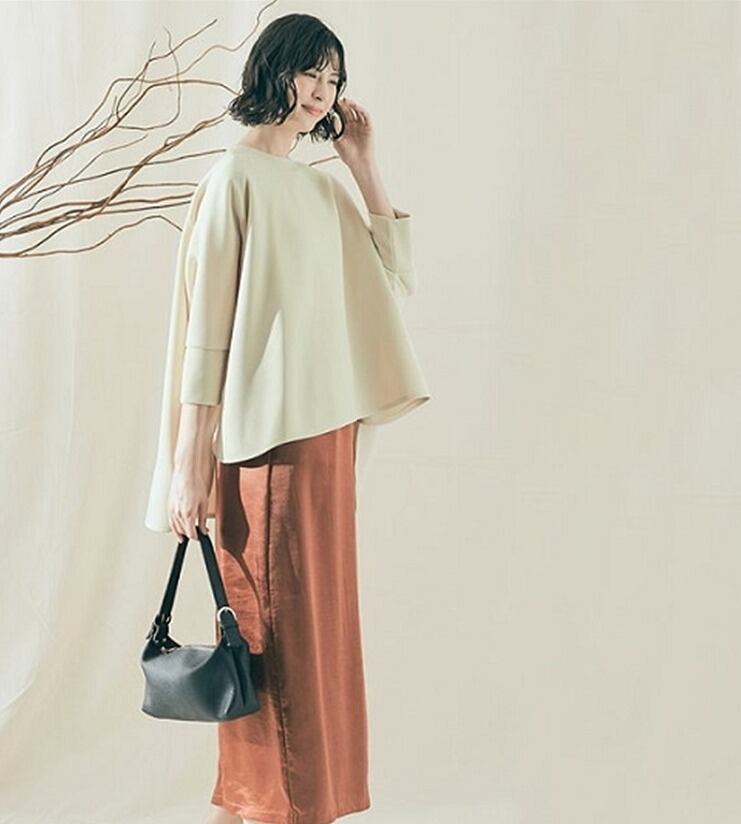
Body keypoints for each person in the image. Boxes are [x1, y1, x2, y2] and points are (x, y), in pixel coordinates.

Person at [144, 12, 431, 824]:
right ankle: (269, 805)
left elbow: (391, 284)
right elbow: (207, 330)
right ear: (275, 70)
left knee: (316, 628)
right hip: (262, 441)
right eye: (311, 72)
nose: (322, 91)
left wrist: (363, 165)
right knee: (268, 627)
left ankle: (290, 804)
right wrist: (189, 464)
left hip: (324, 436)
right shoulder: (233, 178)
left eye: (334, 79)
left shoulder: (319, 188)